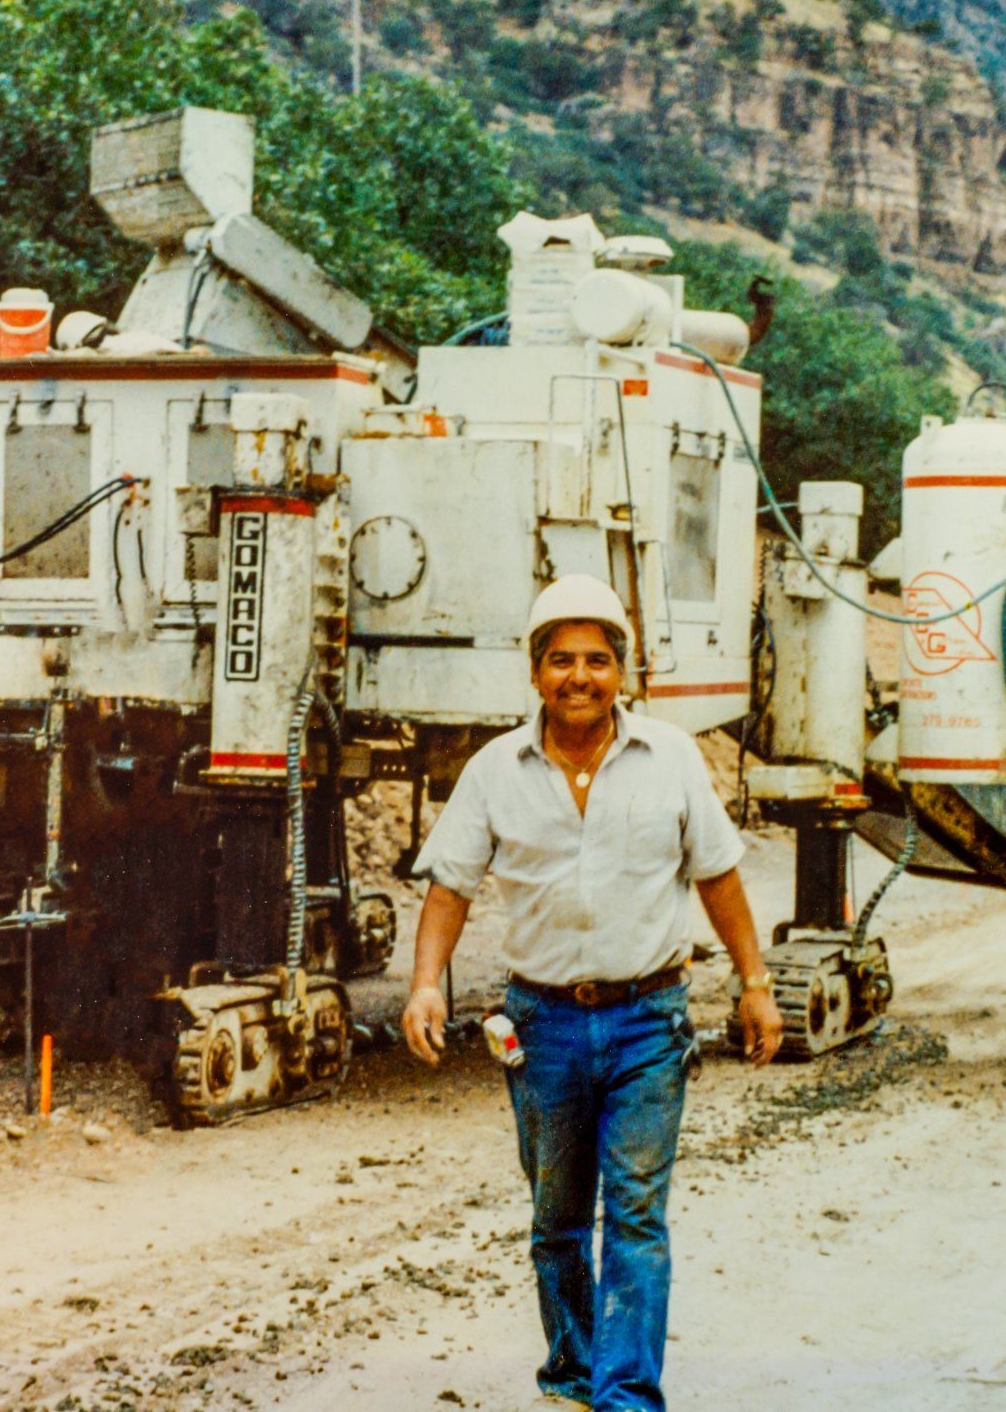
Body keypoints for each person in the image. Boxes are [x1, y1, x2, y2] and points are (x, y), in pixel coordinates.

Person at [401, 574, 784, 1412]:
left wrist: (754, 984)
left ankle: (626, 1398)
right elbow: (450, 887)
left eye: (598, 660)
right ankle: (572, 1381)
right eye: (563, 660)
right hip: (543, 1028)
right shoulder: (494, 771)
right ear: (536, 671)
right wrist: (426, 984)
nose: (581, 677)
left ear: (623, 671)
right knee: (559, 1219)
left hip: (650, 1021)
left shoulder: (671, 758)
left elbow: (718, 876)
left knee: (637, 1215)